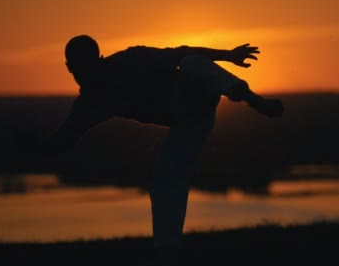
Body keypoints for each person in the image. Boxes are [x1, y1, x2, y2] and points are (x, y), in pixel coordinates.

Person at [34, 35, 283, 250]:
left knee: (192, 63)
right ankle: (168, 255)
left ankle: (255, 100)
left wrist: (229, 55)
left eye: (86, 66)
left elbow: (180, 53)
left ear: (98, 58)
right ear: (68, 67)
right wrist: (30, 145)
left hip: (198, 91)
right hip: (189, 123)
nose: (82, 75)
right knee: (163, 181)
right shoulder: (90, 103)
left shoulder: (130, 60)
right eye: (77, 69)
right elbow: (61, 142)